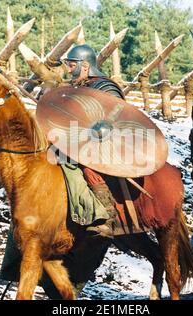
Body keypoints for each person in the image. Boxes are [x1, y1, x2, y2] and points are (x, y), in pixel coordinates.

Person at [62, 44, 125, 238]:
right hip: (80, 140)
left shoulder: (105, 86)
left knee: (88, 167)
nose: (70, 70)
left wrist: (98, 129)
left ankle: (105, 217)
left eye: (73, 66)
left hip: (107, 142)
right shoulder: (80, 87)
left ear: (86, 66)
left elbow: (118, 112)